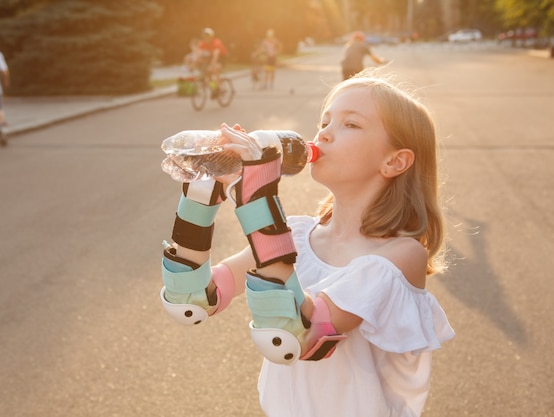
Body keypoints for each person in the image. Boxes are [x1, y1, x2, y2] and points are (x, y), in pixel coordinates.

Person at [159, 69, 454, 417]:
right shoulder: (297, 234)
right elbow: (192, 298)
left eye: (351, 124)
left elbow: (293, 333)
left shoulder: (402, 256)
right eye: (324, 121)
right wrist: (206, 190)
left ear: (394, 161)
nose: (325, 133)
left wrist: (257, 198)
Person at [196, 28, 227, 96]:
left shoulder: (216, 42)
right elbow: (199, 52)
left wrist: (212, 64)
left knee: (215, 69)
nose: (206, 39)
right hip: (211, 58)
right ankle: (214, 88)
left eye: (208, 37)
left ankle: (220, 88)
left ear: (211, 37)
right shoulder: (203, 43)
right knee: (207, 73)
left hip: (221, 58)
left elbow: (216, 55)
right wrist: (196, 60)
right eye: (205, 37)